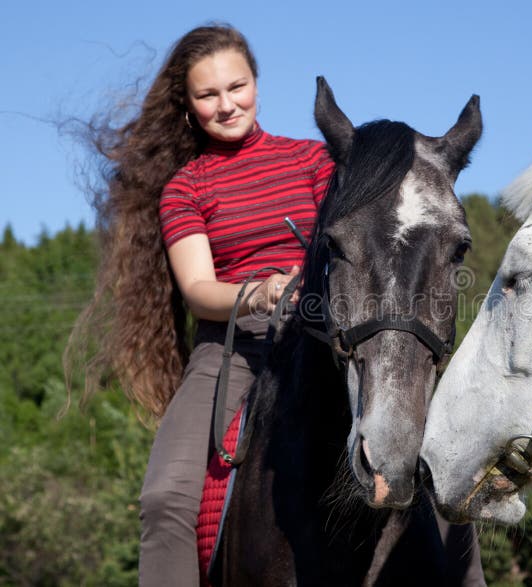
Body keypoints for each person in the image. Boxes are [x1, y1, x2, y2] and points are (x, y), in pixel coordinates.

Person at [66, 24, 334, 586]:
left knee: (436, 463)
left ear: (256, 84)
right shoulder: (185, 188)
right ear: (187, 106)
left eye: (236, 87)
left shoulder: (314, 161)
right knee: (164, 500)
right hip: (230, 349)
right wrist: (258, 292)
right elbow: (198, 291)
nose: (226, 104)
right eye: (208, 95)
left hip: (320, 337)